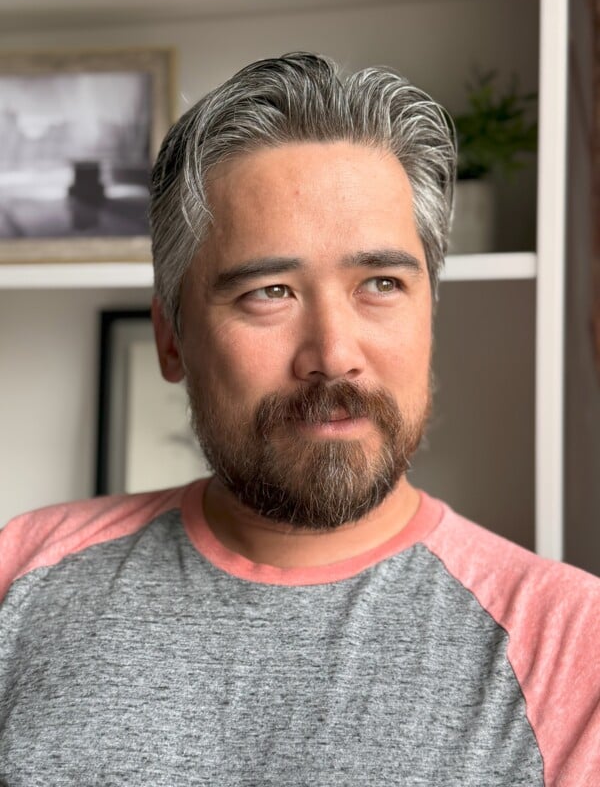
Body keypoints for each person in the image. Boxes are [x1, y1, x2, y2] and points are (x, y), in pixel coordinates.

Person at [0, 52, 598, 786]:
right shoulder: (20, 577)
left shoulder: (573, 645)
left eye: (381, 283)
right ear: (170, 338)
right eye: (270, 291)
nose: (333, 355)